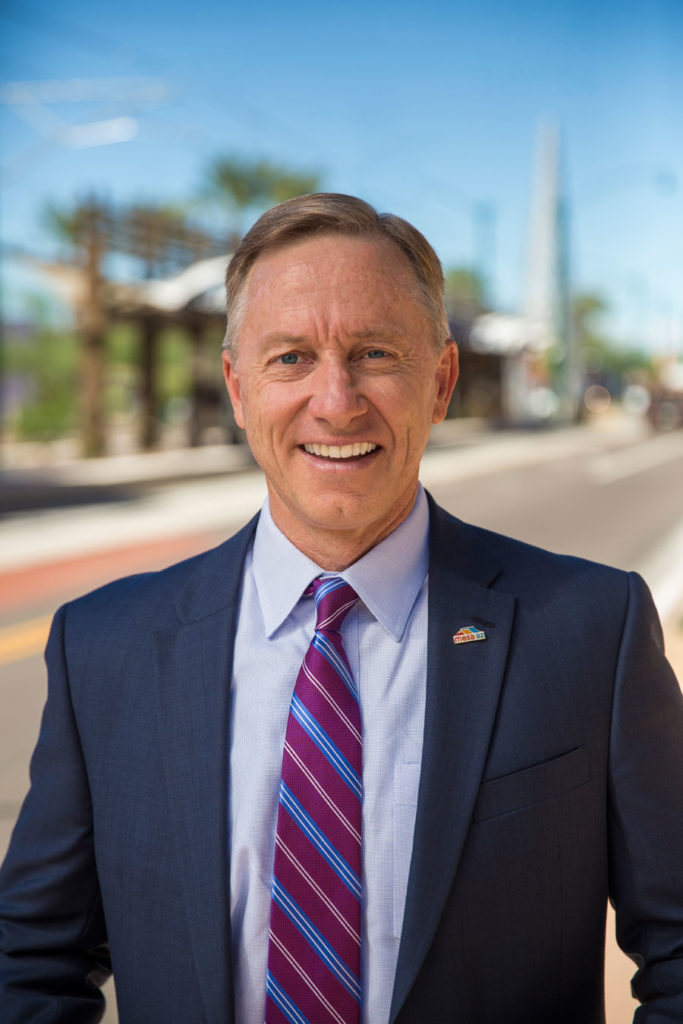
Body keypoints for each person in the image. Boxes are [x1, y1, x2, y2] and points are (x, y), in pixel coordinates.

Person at [1, 193, 682, 1024]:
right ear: (236, 386)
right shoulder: (102, 646)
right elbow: (31, 962)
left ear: (439, 383)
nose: (335, 400)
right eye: (289, 358)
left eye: (374, 353)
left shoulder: (590, 628)